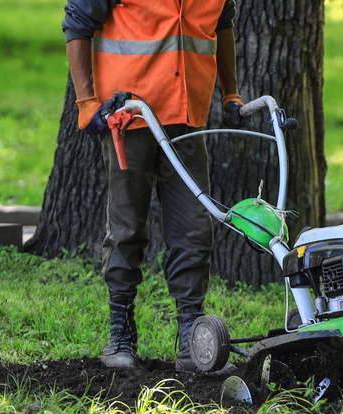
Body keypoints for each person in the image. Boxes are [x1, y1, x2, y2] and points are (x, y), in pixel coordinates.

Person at [62, 0, 249, 371]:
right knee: (126, 227)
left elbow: (221, 24)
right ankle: (120, 329)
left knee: (195, 228)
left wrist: (230, 92)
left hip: (187, 117)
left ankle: (192, 338)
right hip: (129, 118)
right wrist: (86, 102)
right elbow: (77, 22)